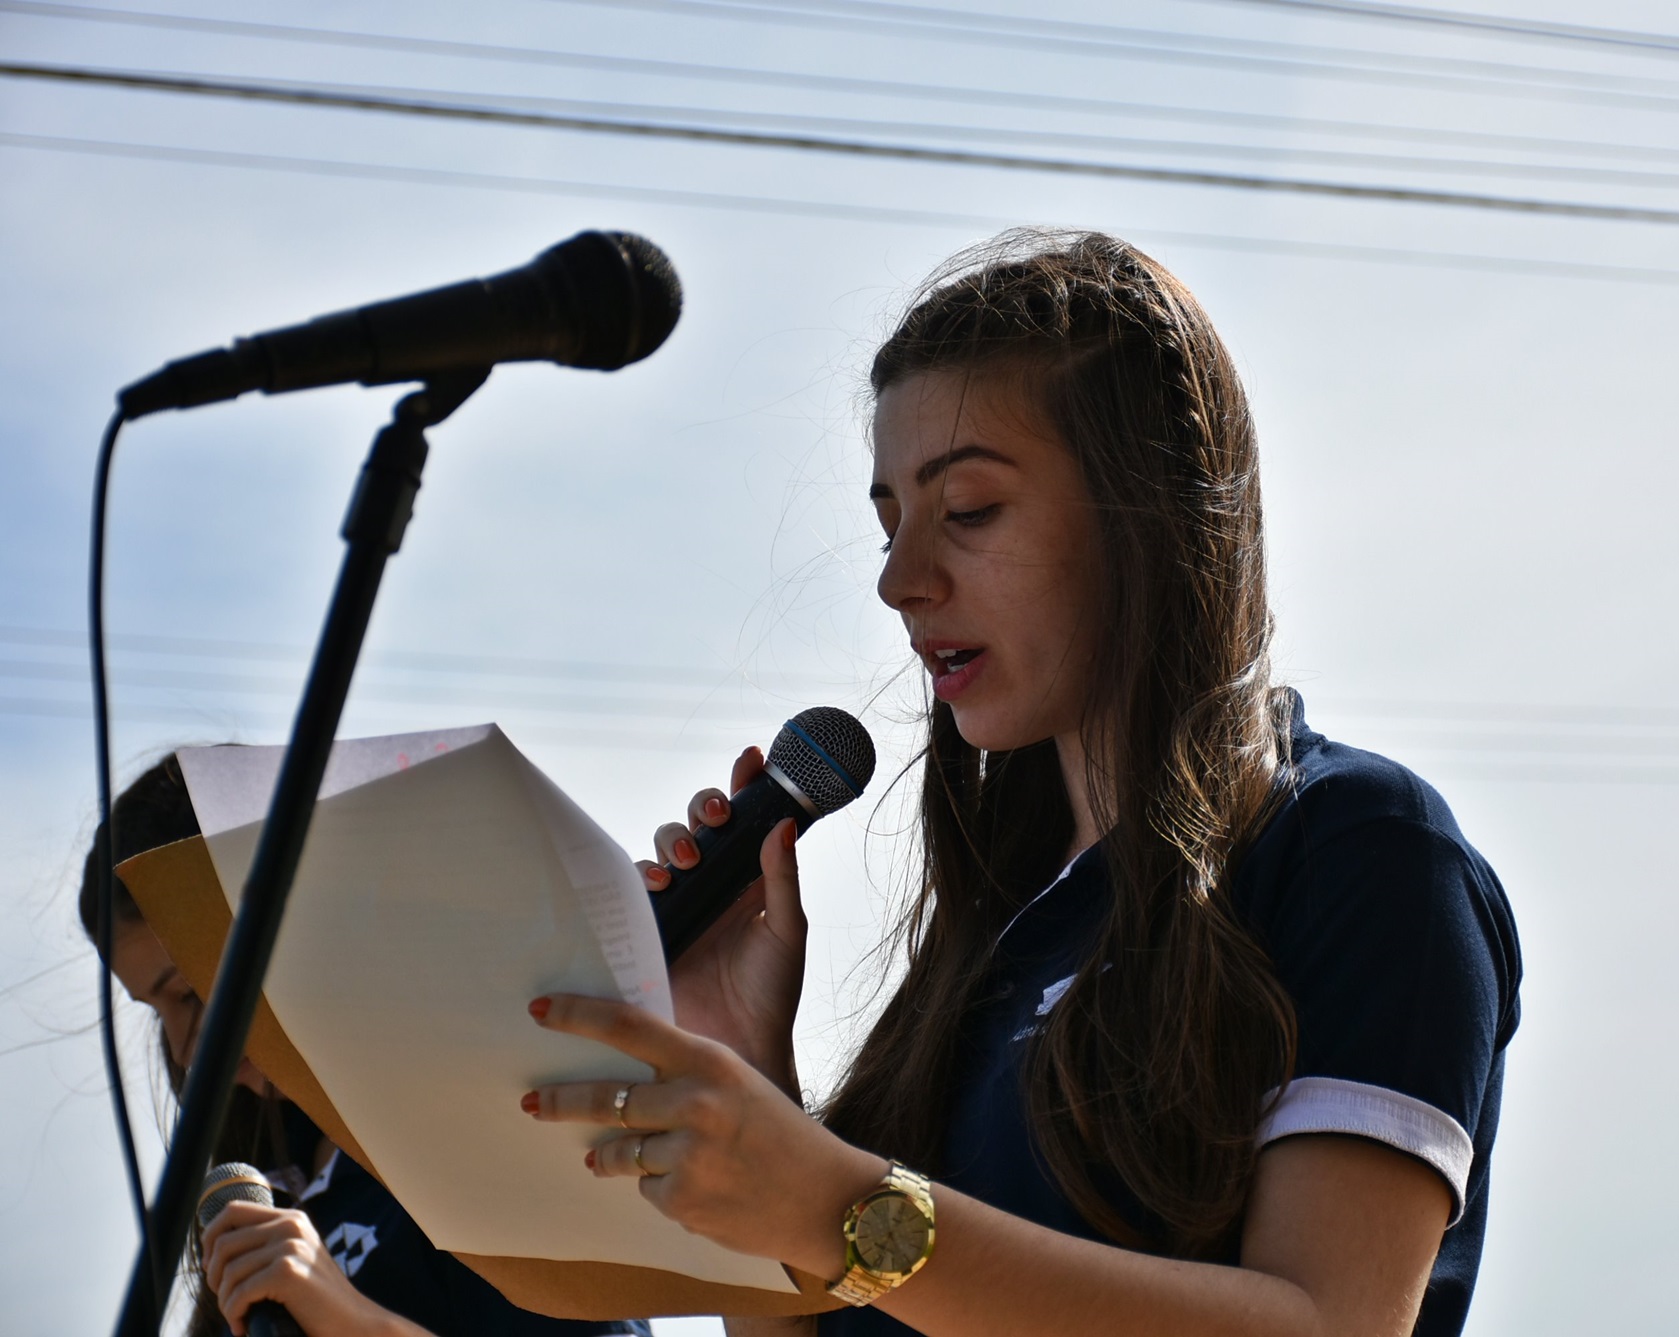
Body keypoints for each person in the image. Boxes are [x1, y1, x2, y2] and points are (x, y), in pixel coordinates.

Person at [519, 229, 1524, 1337]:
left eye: (968, 511)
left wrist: (840, 1206)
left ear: (1153, 508)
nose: (900, 580)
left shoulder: (1357, 847)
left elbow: (1329, 1322)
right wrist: (747, 1072)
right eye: (889, 523)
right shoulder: (994, 937)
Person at [81, 755, 652, 1337]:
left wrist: (354, 1323)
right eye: (155, 1011)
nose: (183, 1051)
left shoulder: (494, 1127)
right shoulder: (262, 1185)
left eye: (188, 994)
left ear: (294, 921)